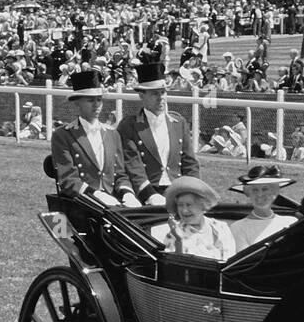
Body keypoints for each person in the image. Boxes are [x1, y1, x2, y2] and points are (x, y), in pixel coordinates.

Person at [50, 70, 141, 208]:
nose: (96, 104)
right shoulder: (63, 135)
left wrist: (127, 193)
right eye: (90, 100)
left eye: (99, 99)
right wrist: (96, 195)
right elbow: (68, 180)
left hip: (113, 202)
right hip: (83, 203)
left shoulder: (112, 134)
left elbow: (119, 174)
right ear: (77, 103)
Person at [119, 52, 198, 206]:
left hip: (178, 191)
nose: (161, 97)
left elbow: (189, 162)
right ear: (142, 95)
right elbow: (133, 166)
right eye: (155, 93)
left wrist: (194, 190)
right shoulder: (129, 125)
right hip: (146, 194)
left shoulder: (178, 122)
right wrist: (150, 196)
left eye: (163, 92)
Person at [148, 176, 235, 261]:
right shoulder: (174, 233)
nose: (184, 210)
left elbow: (230, 262)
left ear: (202, 206)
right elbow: (174, 267)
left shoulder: (220, 228)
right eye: (180, 205)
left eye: (189, 205)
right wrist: (179, 241)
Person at [228, 164, 298, 253]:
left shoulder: (290, 223)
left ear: (275, 192)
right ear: (248, 193)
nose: (260, 194)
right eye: (255, 190)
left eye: (265, 189)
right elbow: (246, 262)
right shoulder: (238, 228)